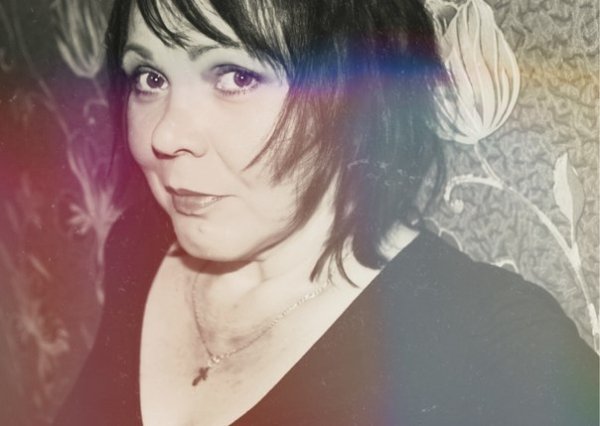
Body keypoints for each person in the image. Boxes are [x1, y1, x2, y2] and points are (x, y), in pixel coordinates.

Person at [53, 0, 599, 425]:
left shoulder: (500, 348)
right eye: (150, 78)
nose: (165, 135)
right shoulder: (139, 244)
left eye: (236, 76)